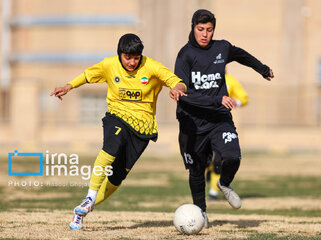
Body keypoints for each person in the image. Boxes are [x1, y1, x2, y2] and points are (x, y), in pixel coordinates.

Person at [51, 33, 186, 230]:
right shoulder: (109, 64)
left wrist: (177, 89)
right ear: (120, 54)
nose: (132, 62)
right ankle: (90, 197)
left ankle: (83, 208)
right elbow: (87, 76)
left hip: (143, 128)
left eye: (136, 58)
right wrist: (68, 86)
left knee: (116, 177)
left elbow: (176, 80)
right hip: (117, 117)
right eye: (127, 57)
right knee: (111, 146)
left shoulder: (152, 67)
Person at [174, 9, 274, 227]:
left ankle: (225, 184)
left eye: (209, 30)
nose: (205, 34)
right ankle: (201, 212)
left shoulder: (222, 48)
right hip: (193, 122)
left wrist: (262, 68)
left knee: (232, 156)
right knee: (197, 171)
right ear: (193, 27)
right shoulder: (185, 54)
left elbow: (242, 55)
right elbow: (185, 93)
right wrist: (179, 87)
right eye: (200, 29)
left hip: (219, 119)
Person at [207, 73, 248, 200]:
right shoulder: (201, 77)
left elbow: (244, 98)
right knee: (204, 159)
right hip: (202, 124)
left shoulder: (230, 80)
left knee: (219, 159)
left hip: (221, 126)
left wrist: (236, 102)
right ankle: (208, 168)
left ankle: (213, 192)